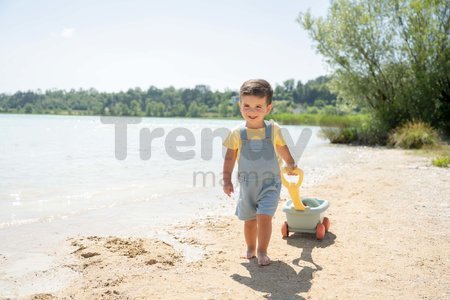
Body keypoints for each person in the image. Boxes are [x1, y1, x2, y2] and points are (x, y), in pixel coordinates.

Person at [222, 79, 297, 266]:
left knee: (264, 216)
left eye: (258, 106)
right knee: (249, 220)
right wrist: (226, 180)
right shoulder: (237, 133)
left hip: (270, 183)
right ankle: (250, 247)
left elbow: (282, 148)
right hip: (247, 185)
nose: (251, 111)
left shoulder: (273, 130)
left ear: (268, 108)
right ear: (240, 105)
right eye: (246, 105)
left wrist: (290, 164)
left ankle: (262, 251)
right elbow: (230, 158)